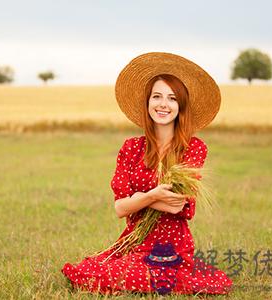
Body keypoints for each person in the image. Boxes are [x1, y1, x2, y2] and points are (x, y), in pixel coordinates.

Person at [61, 52, 233, 296]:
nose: (163, 104)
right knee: (87, 271)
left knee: (121, 276)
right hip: (134, 241)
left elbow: (178, 206)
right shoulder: (131, 148)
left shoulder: (193, 148)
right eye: (157, 96)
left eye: (172, 98)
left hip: (171, 246)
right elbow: (120, 208)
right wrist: (153, 195)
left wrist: (139, 200)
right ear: (148, 102)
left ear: (180, 106)